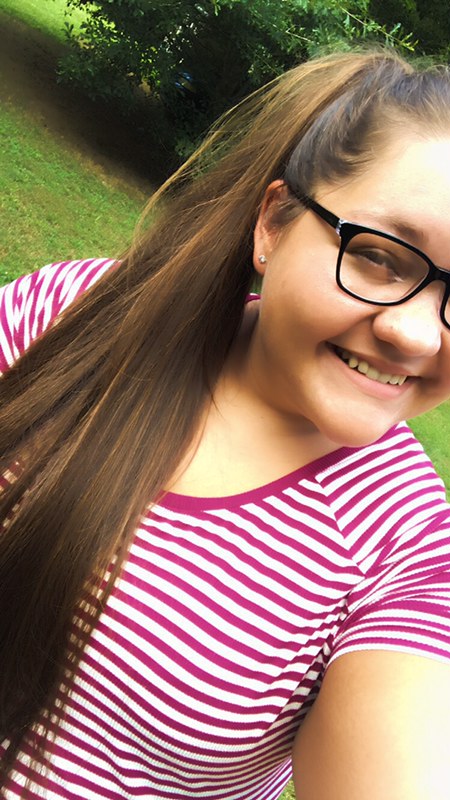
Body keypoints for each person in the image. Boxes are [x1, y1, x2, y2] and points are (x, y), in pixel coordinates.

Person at [1, 48, 450, 800]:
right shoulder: (78, 314)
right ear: (273, 223)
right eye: (379, 257)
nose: (416, 334)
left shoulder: (403, 546)